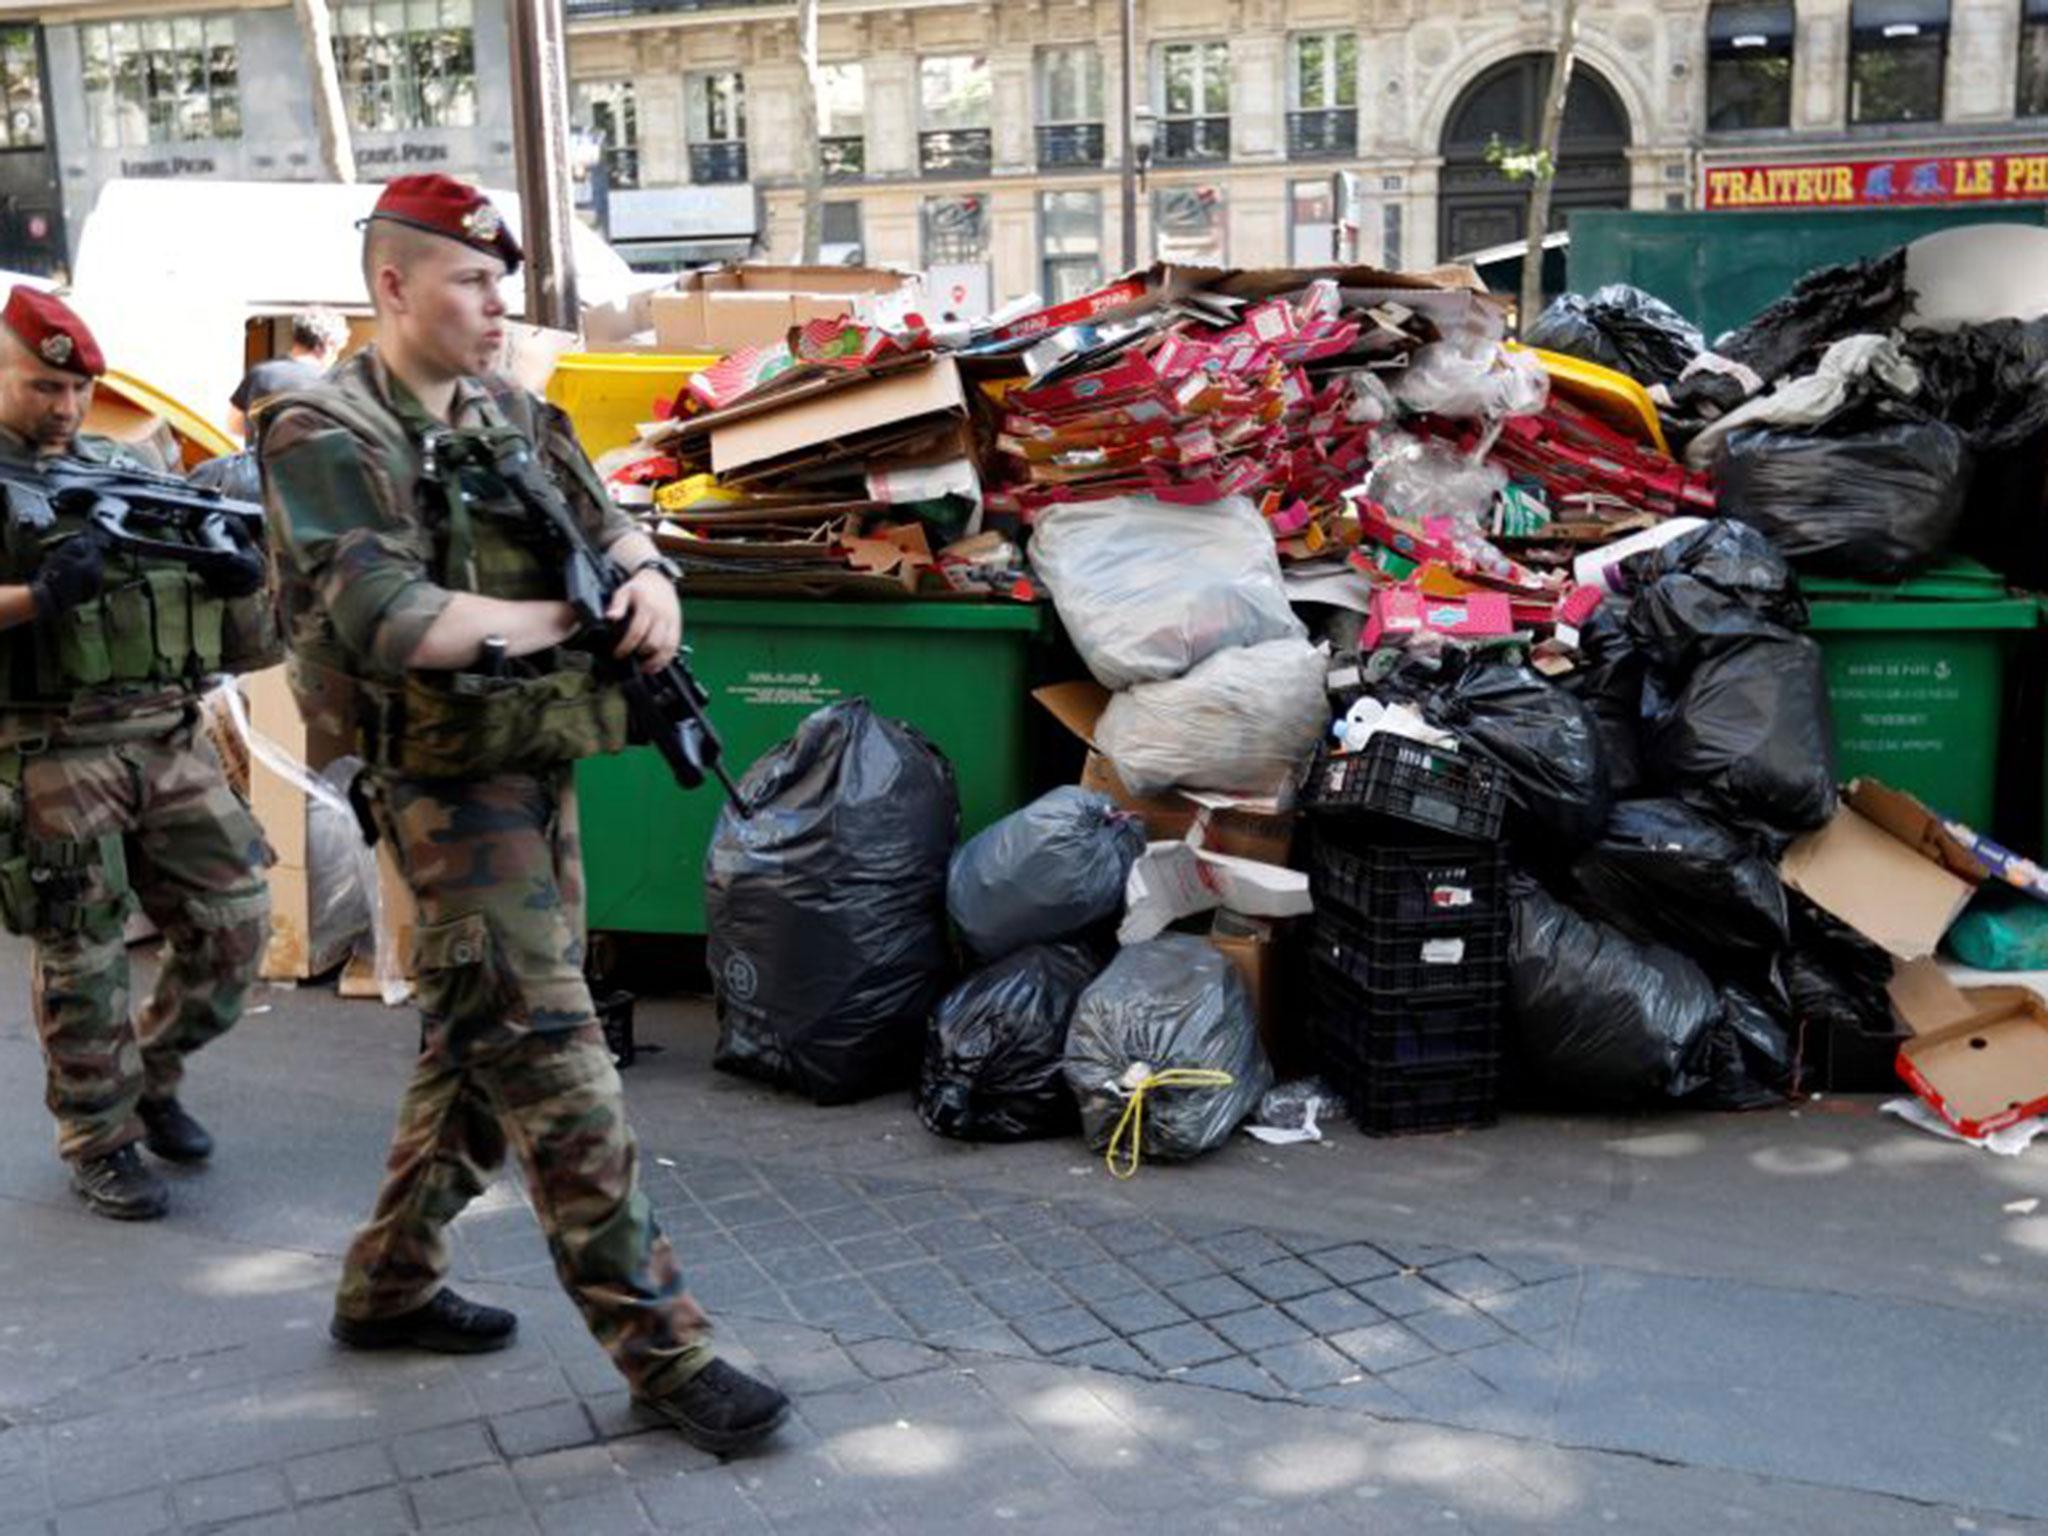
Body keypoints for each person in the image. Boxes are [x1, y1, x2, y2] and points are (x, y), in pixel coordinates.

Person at [259, 175, 789, 1456]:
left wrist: (650, 584)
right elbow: (396, 620)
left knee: (477, 1052)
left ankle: (386, 1287)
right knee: (558, 1067)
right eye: (470, 282)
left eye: (503, 283)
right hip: (445, 799)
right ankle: (666, 1352)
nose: (499, 305)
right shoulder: (323, 433)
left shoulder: (508, 412)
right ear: (392, 286)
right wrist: (572, 623)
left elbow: (611, 524)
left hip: (536, 773)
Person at [0, 286, 274, 1221]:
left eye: (77, 390)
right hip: (50, 747)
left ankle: (149, 1076)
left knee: (236, 925)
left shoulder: (129, 467)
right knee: (82, 954)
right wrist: (35, 599)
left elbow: (242, 642)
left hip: (168, 733)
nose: (66, 409)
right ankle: (99, 1137)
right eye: (43, 386)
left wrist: (237, 574)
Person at [225, 308, 349, 440]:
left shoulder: (261, 374)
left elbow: (233, 424)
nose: (335, 358)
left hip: (263, 458)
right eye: (337, 351)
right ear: (327, 345)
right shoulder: (333, 382)